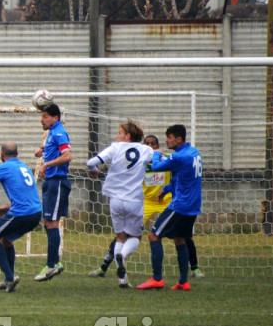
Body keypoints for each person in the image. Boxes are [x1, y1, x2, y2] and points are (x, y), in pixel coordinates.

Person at [88, 135, 205, 279]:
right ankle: (103, 266)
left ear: (157, 145)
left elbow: (178, 174)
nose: (150, 146)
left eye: (153, 144)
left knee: (182, 235)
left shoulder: (166, 159)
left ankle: (195, 268)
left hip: (167, 200)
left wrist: (168, 188)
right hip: (147, 201)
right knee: (125, 233)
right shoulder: (142, 159)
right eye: (147, 143)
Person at [86, 120, 154, 288]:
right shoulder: (147, 150)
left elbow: (91, 163)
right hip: (134, 200)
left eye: (119, 133)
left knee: (120, 236)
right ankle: (122, 257)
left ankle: (122, 279)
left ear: (127, 136)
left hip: (115, 199)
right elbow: (158, 161)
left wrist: (95, 171)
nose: (117, 136)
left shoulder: (115, 148)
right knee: (136, 237)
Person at [137, 124, 203, 291]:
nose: (166, 140)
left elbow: (157, 167)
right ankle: (183, 281)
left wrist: (157, 154)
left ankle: (157, 279)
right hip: (193, 206)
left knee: (153, 236)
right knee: (180, 239)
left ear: (178, 139)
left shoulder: (179, 156)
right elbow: (182, 177)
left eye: (169, 137)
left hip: (180, 206)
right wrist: (166, 189)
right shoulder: (194, 153)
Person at [0, 142, 42, 292]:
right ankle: (8, 280)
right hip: (36, 213)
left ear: (1, 154)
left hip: (21, 214)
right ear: (17, 154)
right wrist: (7, 208)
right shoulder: (24, 167)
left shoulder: (2, 168)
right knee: (5, 241)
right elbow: (27, 195)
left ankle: (10, 277)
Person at [33, 103, 72, 282]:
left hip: (57, 182)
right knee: (48, 221)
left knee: (52, 223)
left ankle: (52, 265)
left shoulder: (58, 132)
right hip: (51, 182)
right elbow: (55, 149)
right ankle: (53, 263)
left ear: (55, 118)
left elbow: (67, 156)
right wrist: (42, 151)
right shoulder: (52, 133)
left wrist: (46, 164)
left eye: (45, 116)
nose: (42, 120)